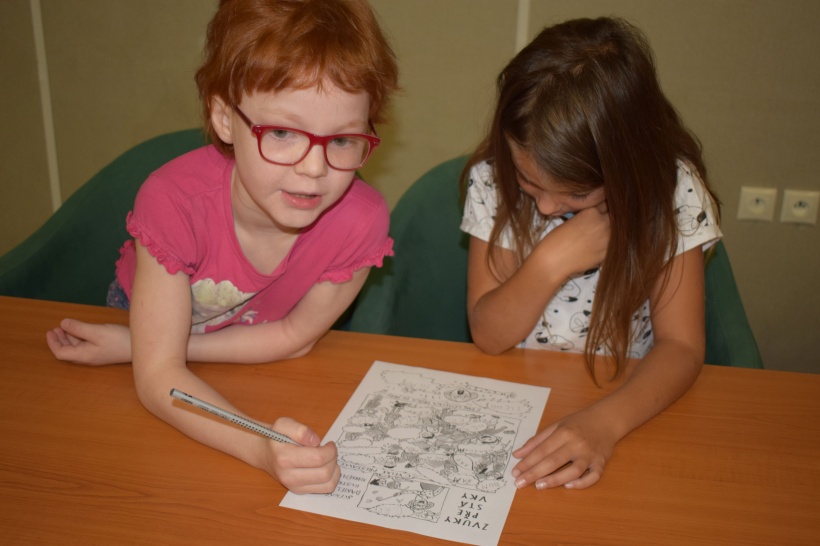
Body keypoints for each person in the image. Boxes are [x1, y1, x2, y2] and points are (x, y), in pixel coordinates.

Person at [46, 0, 398, 494]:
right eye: (282, 132)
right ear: (224, 118)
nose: (314, 169)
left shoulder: (362, 222)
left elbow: (294, 338)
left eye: (342, 141)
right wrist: (259, 447)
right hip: (140, 316)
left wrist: (138, 350)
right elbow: (159, 379)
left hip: (256, 343)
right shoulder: (172, 201)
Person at [460, 17, 721, 491]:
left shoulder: (672, 194)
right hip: (512, 397)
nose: (545, 207)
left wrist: (604, 424)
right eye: (529, 180)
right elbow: (489, 336)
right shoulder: (493, 180)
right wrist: (551, 260)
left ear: (627, 168)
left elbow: (682, 348)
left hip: (627, 403)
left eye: (575, 194)